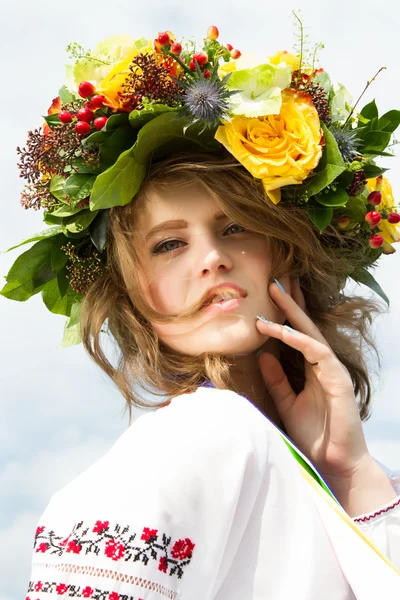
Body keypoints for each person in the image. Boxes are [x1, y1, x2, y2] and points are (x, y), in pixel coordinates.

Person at [4, 25, 400, 600]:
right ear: (135, 294)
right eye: (169, 244)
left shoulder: (337, 473)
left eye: (236, 228)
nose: (212, 260)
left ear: (285, 250)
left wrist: (350, 471)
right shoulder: (206, 431)